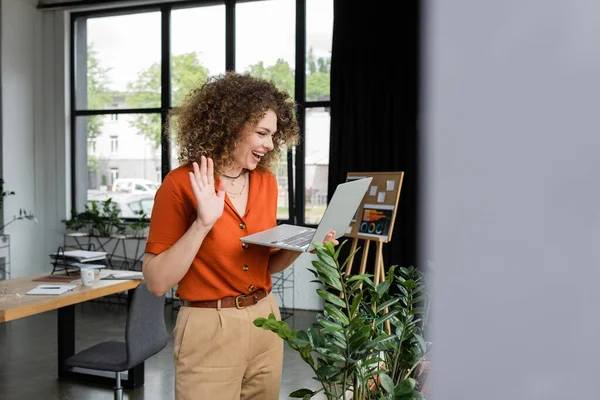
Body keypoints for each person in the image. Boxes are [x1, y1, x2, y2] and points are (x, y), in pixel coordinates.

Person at [142, 72, 338, 400]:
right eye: (262, 132)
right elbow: (157, 282)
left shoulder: (266, 183)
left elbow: (265, 265)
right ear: (230, 125)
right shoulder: (179, 184)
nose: (270, 144)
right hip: (209, 325)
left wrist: (302, 245)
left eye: (274, 135)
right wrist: (203, 223)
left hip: (266, 319)